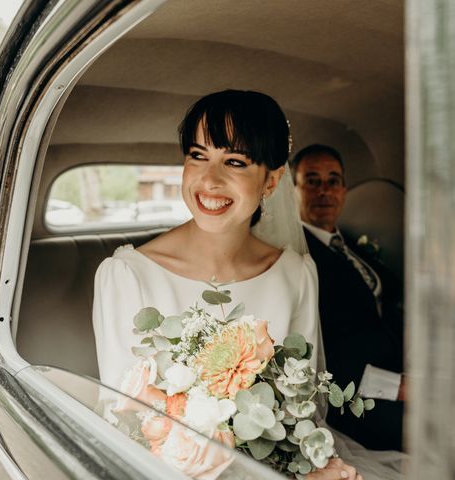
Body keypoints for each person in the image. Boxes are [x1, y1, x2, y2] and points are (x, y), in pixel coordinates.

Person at [93, 90, 367, 480]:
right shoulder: (127, 277)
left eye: (235, 162)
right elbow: (120, 425)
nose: (210, 179)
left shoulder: (297, 274)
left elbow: (306, 409)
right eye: (198, 155)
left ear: (271, 181)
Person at [291, 144, 405, 452]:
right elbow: (325, 354)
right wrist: (400, 388)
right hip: (357, 398)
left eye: (334, 180)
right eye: (312, 180)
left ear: (344, 189)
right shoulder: (300, 259)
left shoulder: (348, 244)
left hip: (402, 365)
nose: (324, 190)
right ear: (294, 189)